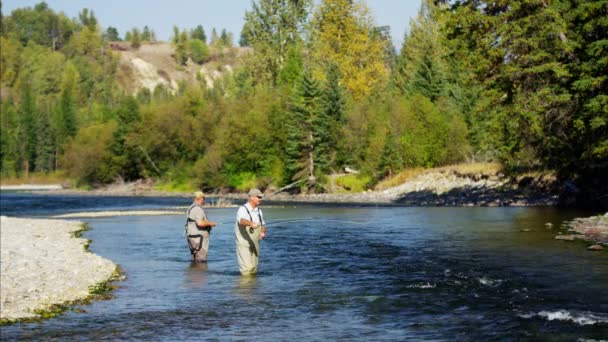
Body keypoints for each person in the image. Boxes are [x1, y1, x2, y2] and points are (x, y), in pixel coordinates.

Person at [235, 188, 267, 275]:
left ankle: (253, 288)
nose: (260, 199)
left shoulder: (259, 211)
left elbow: (263, 225)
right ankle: (245, 288)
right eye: (258, 197)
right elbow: (241, 221)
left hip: (255, 243)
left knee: (254, 269)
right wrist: (251, 223)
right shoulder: (243, 209)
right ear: (251, 197)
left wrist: (262, 232)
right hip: (244, 244)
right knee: (247, 270)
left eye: (261, 197)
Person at [185, 191, 216, 262]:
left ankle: (193, 272)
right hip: (199, 238)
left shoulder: (191, 207)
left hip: (192, 237)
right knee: (201, 259)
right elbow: (200, 223)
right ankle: (201, 272)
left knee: (195, 259)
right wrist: (210, 223)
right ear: (201, 198)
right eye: (203, 198)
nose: (204, 200)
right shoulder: (198, 209)